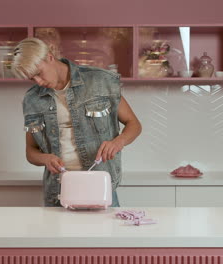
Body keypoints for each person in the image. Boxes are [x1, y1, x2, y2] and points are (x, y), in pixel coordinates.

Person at [12, 38, 142, 207]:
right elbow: (31, 152)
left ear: (50, 57)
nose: (38, 82)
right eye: (31, 78)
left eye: (38, 73)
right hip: (58, 192)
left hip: (100, 189)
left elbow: (134, 124)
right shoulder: (32, 99)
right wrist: (45, 158)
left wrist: (118, 142)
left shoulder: (99, 82)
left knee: (106, 233)